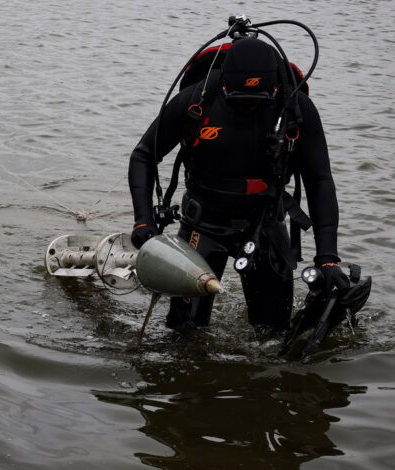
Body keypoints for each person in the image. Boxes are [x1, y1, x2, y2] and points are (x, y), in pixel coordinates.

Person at [128, 37, 350, 333]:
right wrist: (143, 221)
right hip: (201, 226)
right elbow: (143, 155)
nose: (247, 108)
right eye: (239, 102)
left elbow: (319, 180)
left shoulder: (296, 109)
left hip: (264, 226)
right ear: (223, 85)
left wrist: (328, 258)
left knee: (273, 334)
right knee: (184, 333)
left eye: (256, 103)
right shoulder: (196, 101)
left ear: (273, 89)